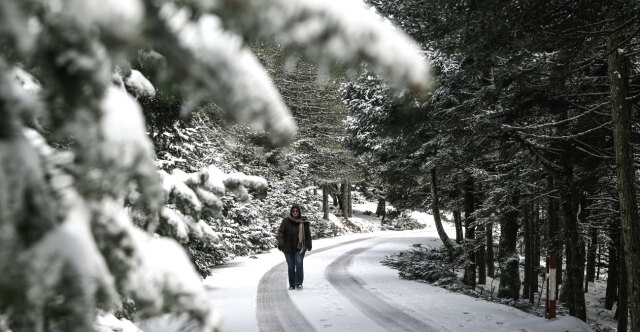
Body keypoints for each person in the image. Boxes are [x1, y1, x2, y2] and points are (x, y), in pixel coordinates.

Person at [277, 204, 312, 290]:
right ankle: (292, 284)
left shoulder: (304, 222)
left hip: (300, 248)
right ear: (291, 212)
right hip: (288, 248)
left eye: (297, 211)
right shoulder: (285, 221)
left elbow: (308, 234)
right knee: (291, 266)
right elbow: (281, 232)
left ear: (299, 212)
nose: (295, 212)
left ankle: (299, 283)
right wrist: (281, 243)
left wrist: (309, 244)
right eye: (293, 211)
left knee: (299, 264)